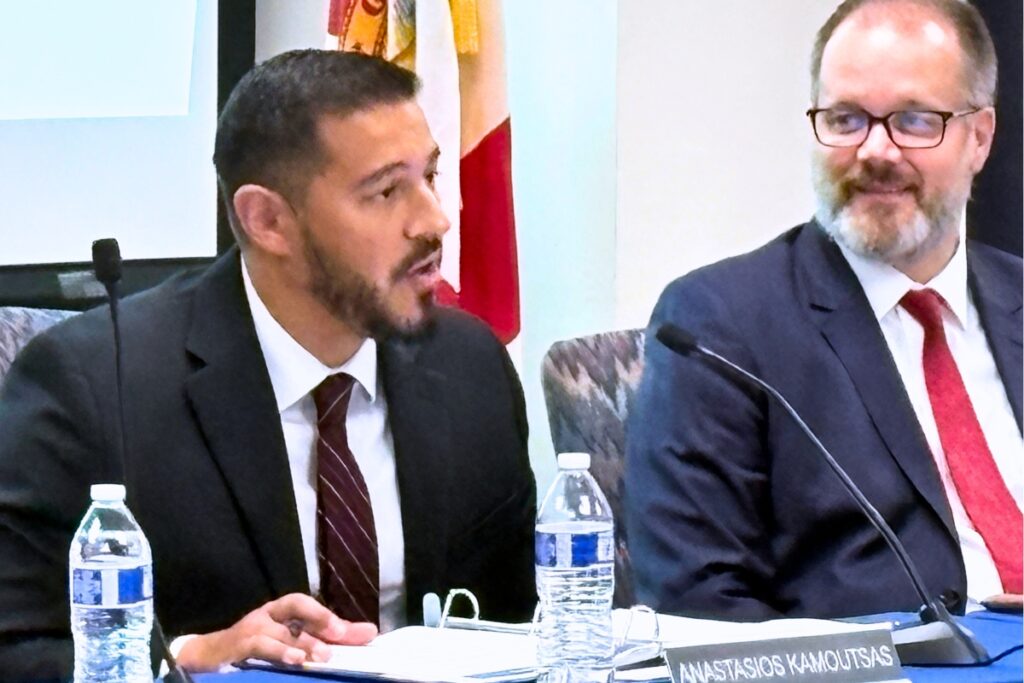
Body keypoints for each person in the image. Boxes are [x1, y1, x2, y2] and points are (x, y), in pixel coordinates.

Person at [0, 50, 535, 679]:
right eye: (387, 191)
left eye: (432, 178)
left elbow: (523, 625)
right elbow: (15, 649)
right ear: (268, 220)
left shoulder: (468, 365)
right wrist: (193, 657)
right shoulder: (98, 383)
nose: (434, 221)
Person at [626, 0, 1021, 621]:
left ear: (980, 138)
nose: (876, 150)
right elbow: (697, 607)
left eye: (915, 121)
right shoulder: (719, 328)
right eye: (846, 119)